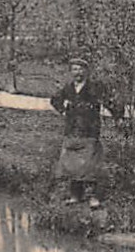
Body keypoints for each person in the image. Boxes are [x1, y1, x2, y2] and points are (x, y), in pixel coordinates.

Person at [50, 57, 122, 208]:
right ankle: (76, 195)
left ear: (86, 71)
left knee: (90, 165)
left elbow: (110, 101)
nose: (77, 72)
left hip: (90, 130)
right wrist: (63, 110)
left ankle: (94, 198)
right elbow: (55, 100)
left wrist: (118, 115)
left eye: (80, 69)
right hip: (72, 130)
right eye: (74, 69)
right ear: (71, 72)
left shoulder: (95, 87)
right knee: (72, 165)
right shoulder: (68, 88)